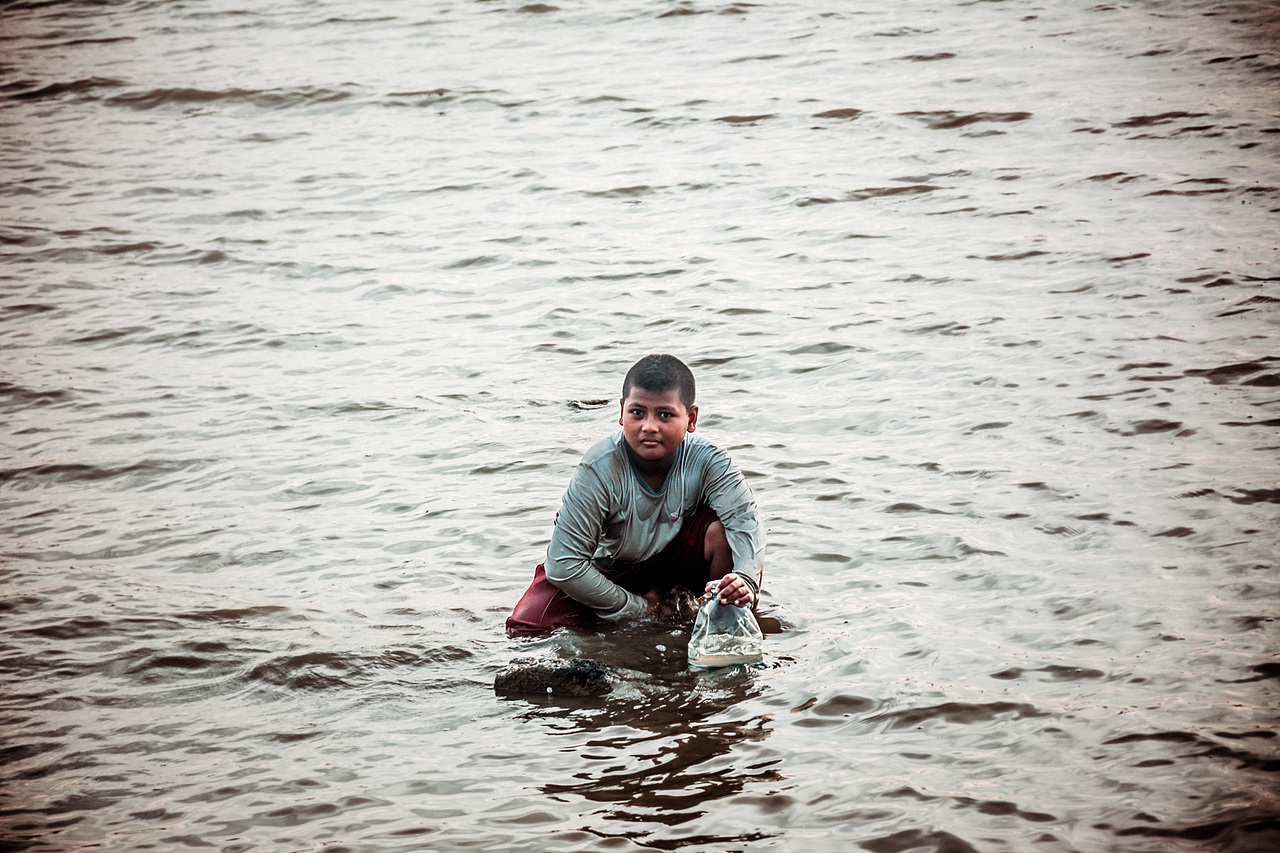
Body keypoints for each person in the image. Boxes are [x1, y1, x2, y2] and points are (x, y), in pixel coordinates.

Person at [506, 353, 764, 636]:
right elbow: (564, 564)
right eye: (637, 412)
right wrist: (639, 608)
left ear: (691, 419)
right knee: (528, 627)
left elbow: (745, 523)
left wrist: (744, 579)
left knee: (721, 531)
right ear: (621, 413)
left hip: (676, 563)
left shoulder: (710, 461)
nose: (649, 426)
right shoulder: (599, 467)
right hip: (612, 571)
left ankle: (718, 624)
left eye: (665, 415)